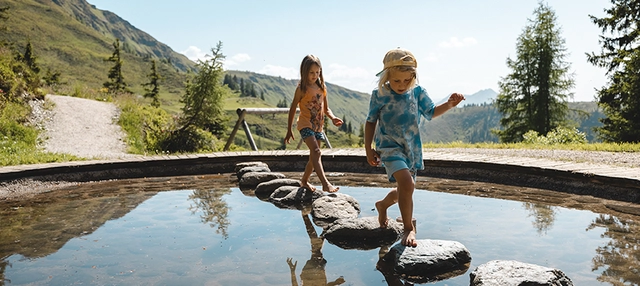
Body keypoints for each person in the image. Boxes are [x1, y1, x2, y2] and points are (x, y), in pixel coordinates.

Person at [364, 48, 465, 247]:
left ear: (413, 77)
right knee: (407, 184)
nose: (401, 85)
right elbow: (370, 122)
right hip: (389, 147)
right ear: (386, 77)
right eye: (396, 80)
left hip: (410, 149)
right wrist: (368, 148)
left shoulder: (418, 92)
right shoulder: (380, 94)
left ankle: (383, 205)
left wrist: (450, 104)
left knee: (406, 188)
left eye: (406, 80)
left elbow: (431, 112)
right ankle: (408, 228)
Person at [285, 54, 343, 193]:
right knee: (316, 151)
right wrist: (289, 129)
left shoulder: (322, 87)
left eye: (317, 72)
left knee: (314, 156)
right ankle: (325, 183)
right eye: (311, 72)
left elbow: (325, 108)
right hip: (305, 124)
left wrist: (333, 117)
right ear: (304, 72)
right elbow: (293, 107)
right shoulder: (302, 89)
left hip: (318, 126)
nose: (315, 75)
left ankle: (304, 181)